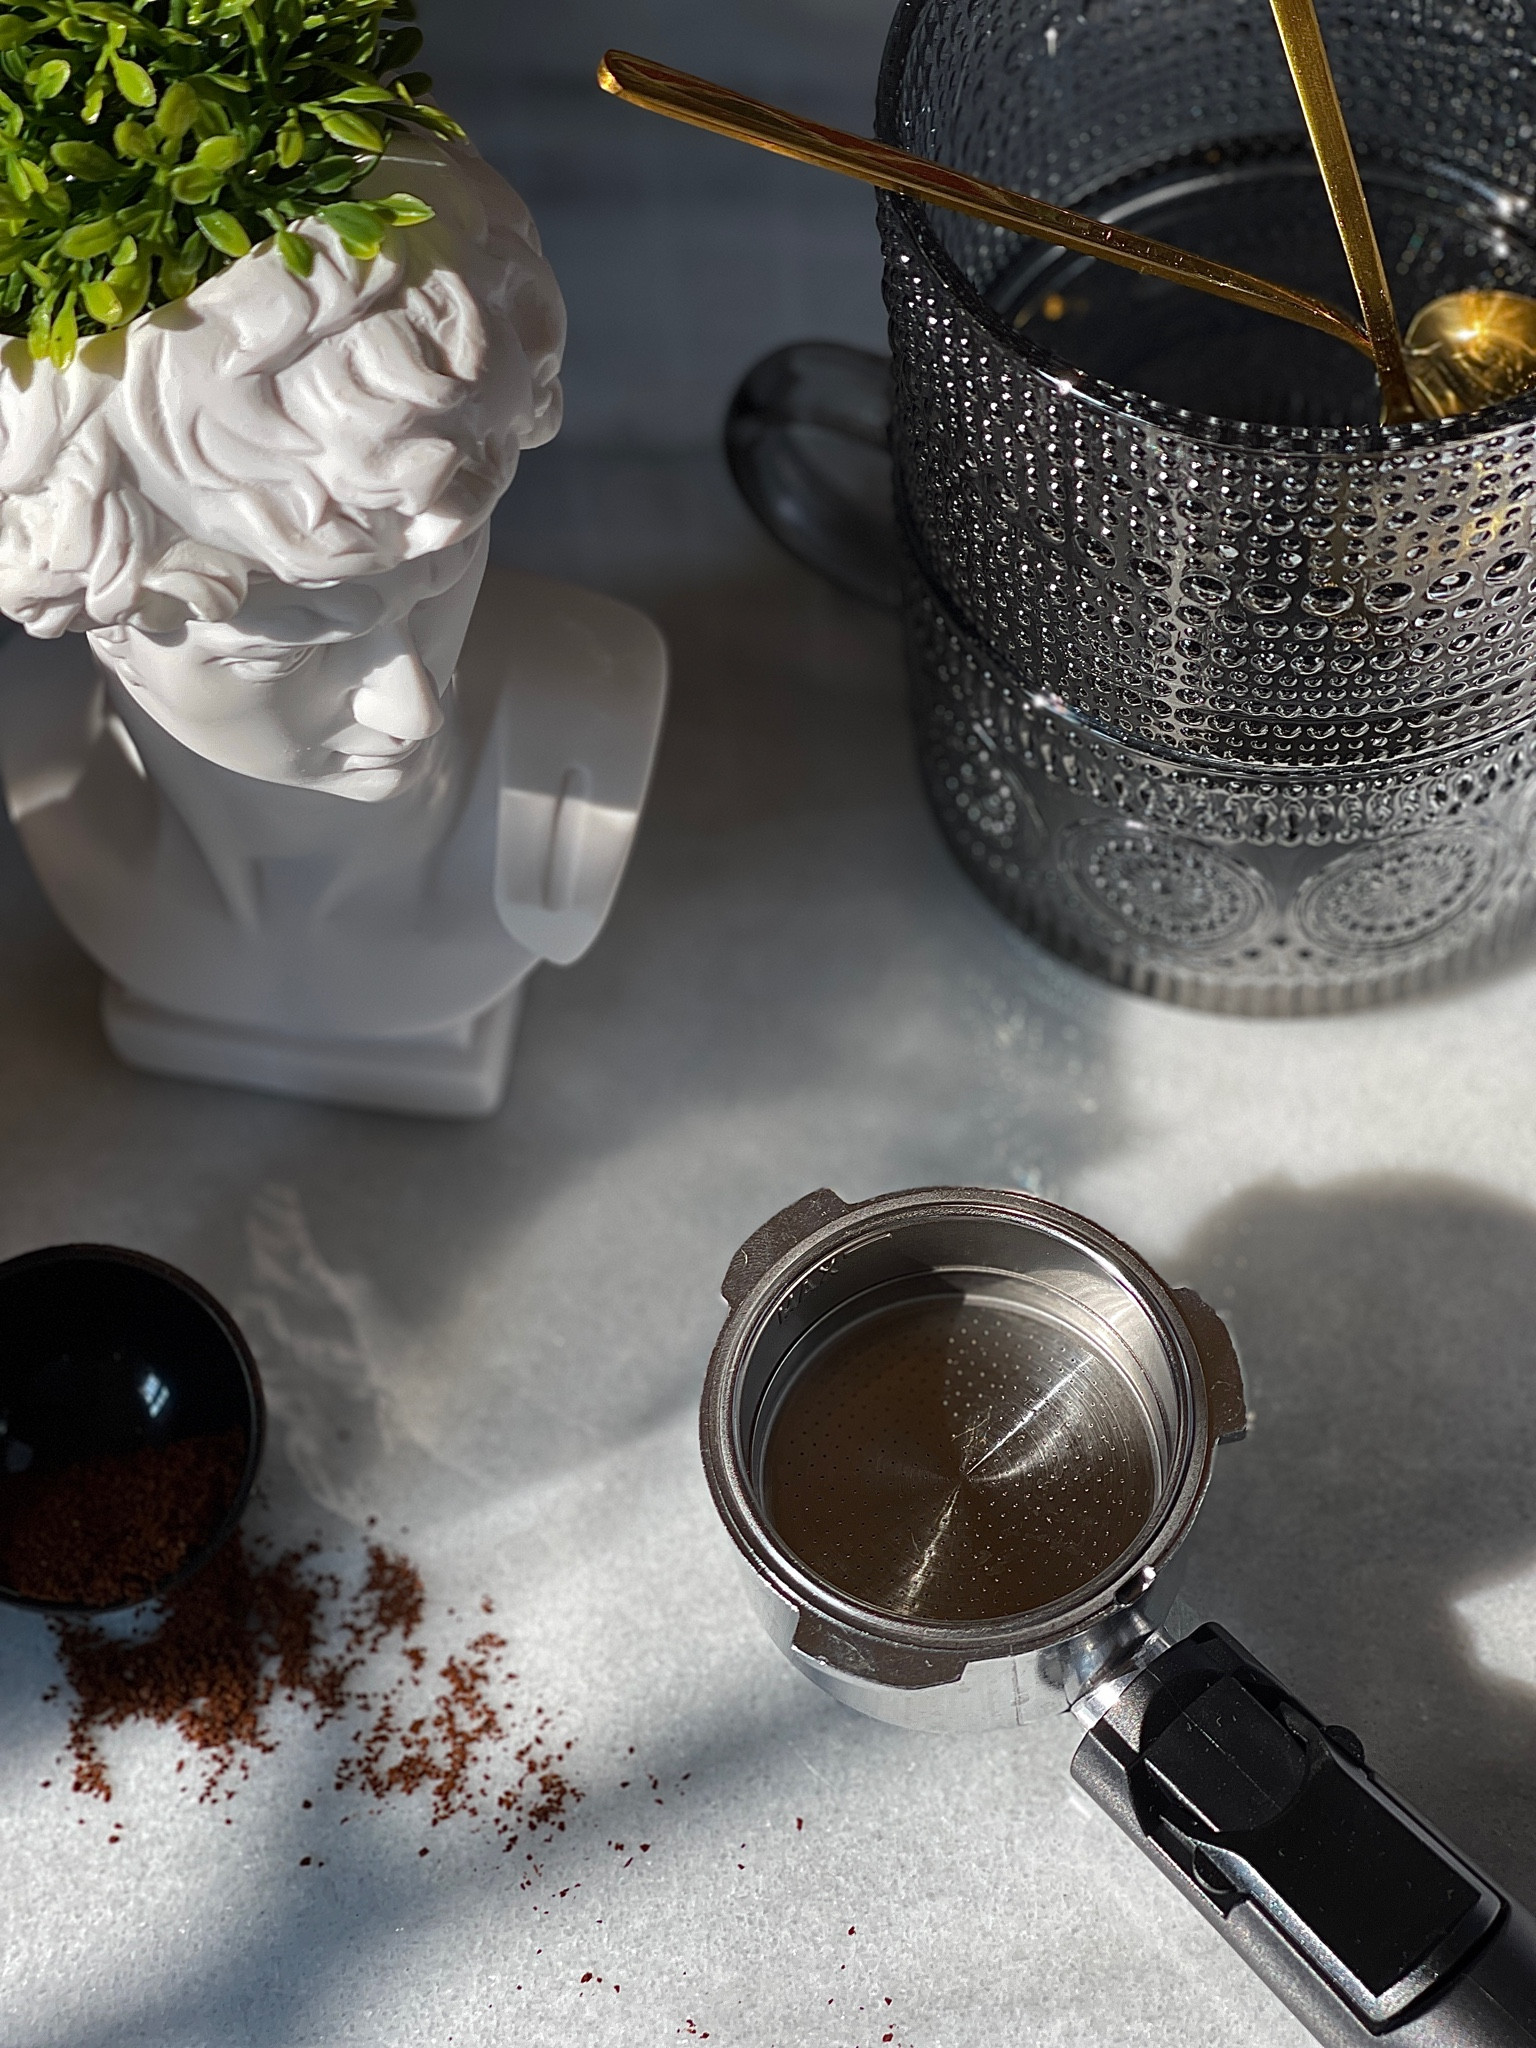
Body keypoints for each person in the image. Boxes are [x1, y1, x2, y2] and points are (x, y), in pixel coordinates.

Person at [0, 135, 666, 1115]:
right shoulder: (44, 764)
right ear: (99, 608)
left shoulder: (593, 704)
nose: (411, 704)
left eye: (440, 579)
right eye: (295, 644)